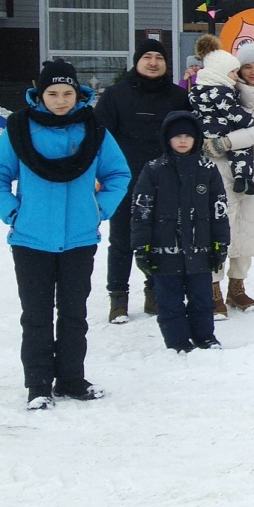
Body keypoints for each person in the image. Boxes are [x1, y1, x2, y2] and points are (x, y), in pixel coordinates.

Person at [0, 60, 130, 409]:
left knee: (74, 314)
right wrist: (14, 213)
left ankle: (71, 380)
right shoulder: (19, 129)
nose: (61, 100)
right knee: (36, 316)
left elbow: (118, 174)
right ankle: (38, 386)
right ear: (40, 95)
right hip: (31, 240)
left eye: (67, 93)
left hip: (79, 239)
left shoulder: (94, 129)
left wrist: (98, 210)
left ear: (78, 94)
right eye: (52, 93)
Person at [94, 37, 189, 325]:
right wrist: (99, 174)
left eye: (159, 58)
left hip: (166, 181)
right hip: (123, 180)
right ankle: (118, 297)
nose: (153, 63)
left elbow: (188, 137)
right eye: (147, 57)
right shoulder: (115, 95)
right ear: (137, 62)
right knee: (121, 241)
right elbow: (98, 137)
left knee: (161, 240)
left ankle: (154, 293)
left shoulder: (177, 96)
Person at [129, 111, 229, 353]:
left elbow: (219, 208)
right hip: (164, 249)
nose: (182, 141)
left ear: (196, 138)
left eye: (188, 136)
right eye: (177, 136)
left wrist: (220, 243)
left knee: (202, 298)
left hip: (200, 248)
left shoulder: (207, 169)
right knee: (169, 299)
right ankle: (177, 340)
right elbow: (142, 210)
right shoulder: (154, 169)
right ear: (167, 139)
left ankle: (205, 336)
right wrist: (141, 246)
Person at [202, 42, 254, 317]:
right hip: (219, 168)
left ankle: (237, 286)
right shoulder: (223, 93)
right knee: (218, 228)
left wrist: (225, 142)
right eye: (247, 66)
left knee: (249, 228)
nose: (253, 72)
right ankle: (212, 287)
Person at [189, 35, 254, 195]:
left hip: (206, 129)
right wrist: (249, 122)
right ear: (220, 72)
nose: (236, 76)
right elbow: (231, 111)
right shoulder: (221, 91)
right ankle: (242, 177)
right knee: (241, 145)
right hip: (221, 128)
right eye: (233, 72)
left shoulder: (198, 89)